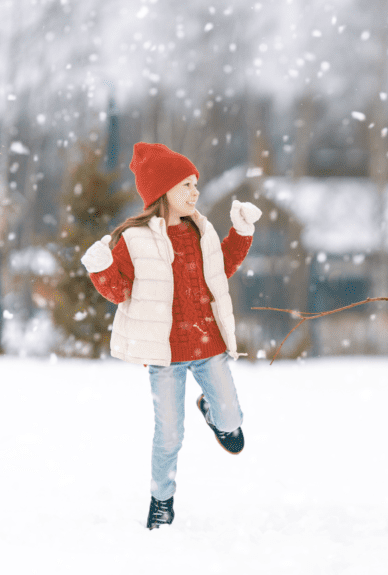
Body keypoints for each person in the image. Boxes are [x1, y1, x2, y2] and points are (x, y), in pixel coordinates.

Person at [81, 142, 263, 530]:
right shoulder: (134, 240)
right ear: (162, 191)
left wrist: (241, 232)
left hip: (208, 345)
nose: (195, 192)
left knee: (232, 418)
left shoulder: (202, 229)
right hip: (165, 356)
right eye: (186, 185)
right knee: (169, 435)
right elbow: (120, 292)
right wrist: (101, 269)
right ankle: (161, 501)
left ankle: (214, 414)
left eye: (196, 184)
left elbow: (222, 267)